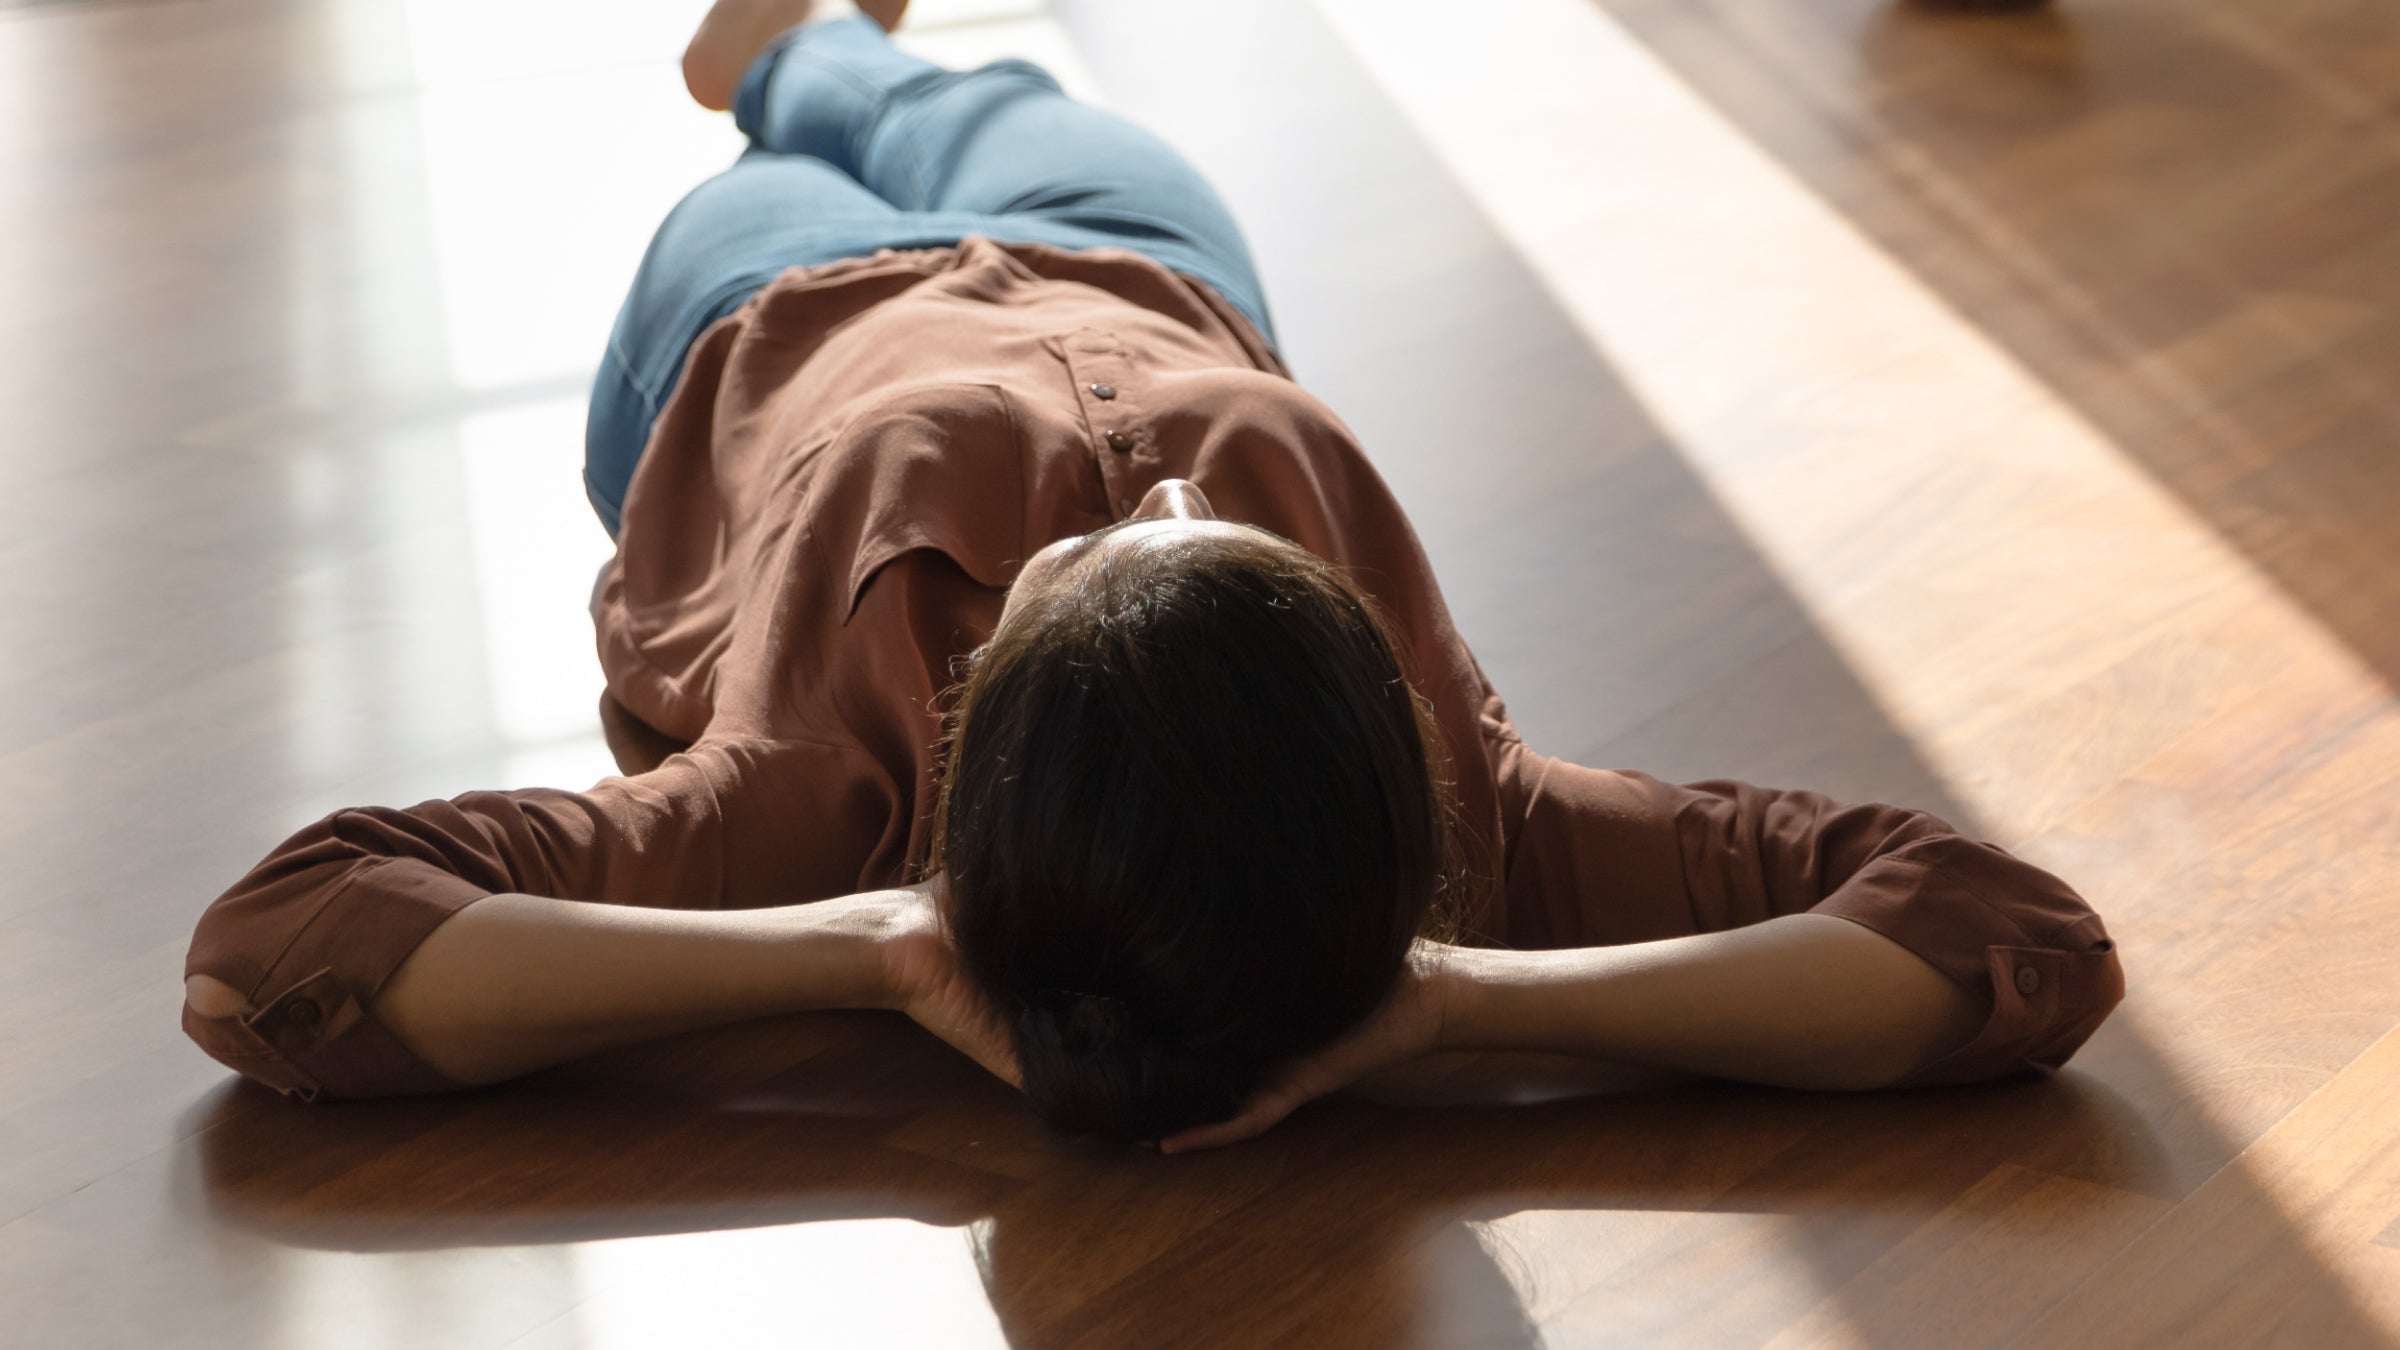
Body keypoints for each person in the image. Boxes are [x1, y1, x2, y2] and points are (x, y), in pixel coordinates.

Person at [180, 1, 2125, 1150]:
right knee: (987, 99)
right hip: (1143, 264)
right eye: (1225, 544)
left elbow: (281, 953)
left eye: (1102, 559)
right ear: (1365, 695)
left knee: (824, 142)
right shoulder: (1455, 811)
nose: (1170, 489)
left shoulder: (800, 802)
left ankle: (798, 56)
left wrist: (866, 946)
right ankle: (811, 39)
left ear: (977, 716)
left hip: (760, 322)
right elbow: (2000, 936)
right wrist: (1454, 996)